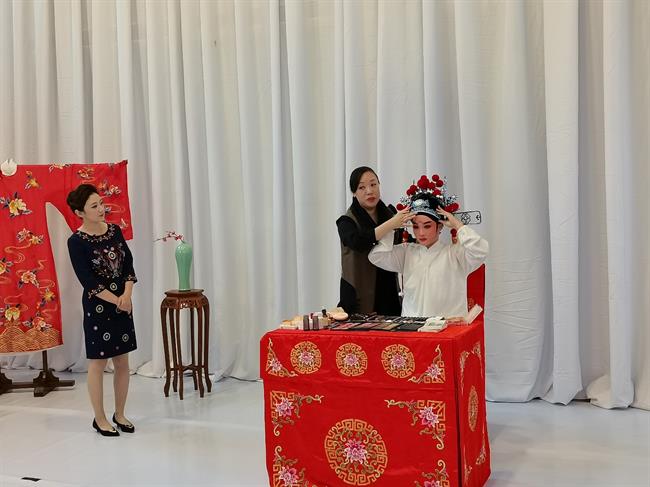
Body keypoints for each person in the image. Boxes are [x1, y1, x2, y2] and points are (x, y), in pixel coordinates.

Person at [66, 184, 137, 437]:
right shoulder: (76, 242)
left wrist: (126, 295)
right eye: (94, 206)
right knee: (97, 362)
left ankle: (120, 414)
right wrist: (117, 300)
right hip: (98, 306)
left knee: (122, 361)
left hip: (122, 303)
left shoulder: (115, 231)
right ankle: (100, 418)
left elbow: (128, 265)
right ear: (79, 213)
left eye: (101, 203)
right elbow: (88, 281)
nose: (101, 209)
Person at [369, 177, 488, 317]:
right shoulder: (406, 252)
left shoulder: (455, 254)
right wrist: (392, 226)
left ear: (440, 226)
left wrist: (457, 225)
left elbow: (481, 250)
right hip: (413, 327)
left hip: (447, 327)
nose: (421, 233)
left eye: (427, 226)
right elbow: (376, 256)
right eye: (415, 226)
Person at [336, 166, 413, 315]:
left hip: (388, 290)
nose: (369, 191)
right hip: (358, 292)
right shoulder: (346, 221)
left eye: (373, 184)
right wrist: (391, 224)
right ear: (354, 192)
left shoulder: (390, 214)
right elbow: (359, 242)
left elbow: (405, 243)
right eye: (362, 187)